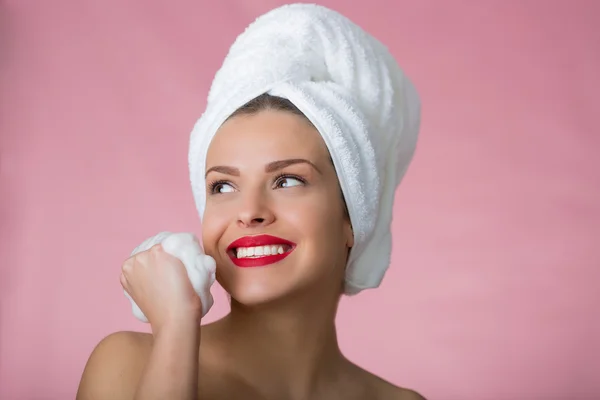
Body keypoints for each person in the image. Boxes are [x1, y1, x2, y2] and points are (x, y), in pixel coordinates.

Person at [77, 4, 425, 400]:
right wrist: (176, 327)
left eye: (287, 180)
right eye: (223, 187)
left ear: (352, 218)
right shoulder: (128, 365)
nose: (249, 212)